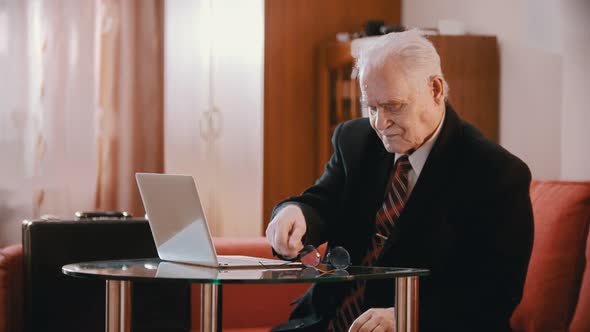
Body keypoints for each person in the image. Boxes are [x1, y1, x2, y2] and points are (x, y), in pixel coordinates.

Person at [265, 30, 534, 332]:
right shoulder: (356, 140)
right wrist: (293, 213)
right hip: (324, 322)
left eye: (393, 106)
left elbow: (495, 297)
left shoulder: (496, 174)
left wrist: (407, 316)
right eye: (372, 107)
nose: (380, 123)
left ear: (435, 90)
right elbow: (321, 202)